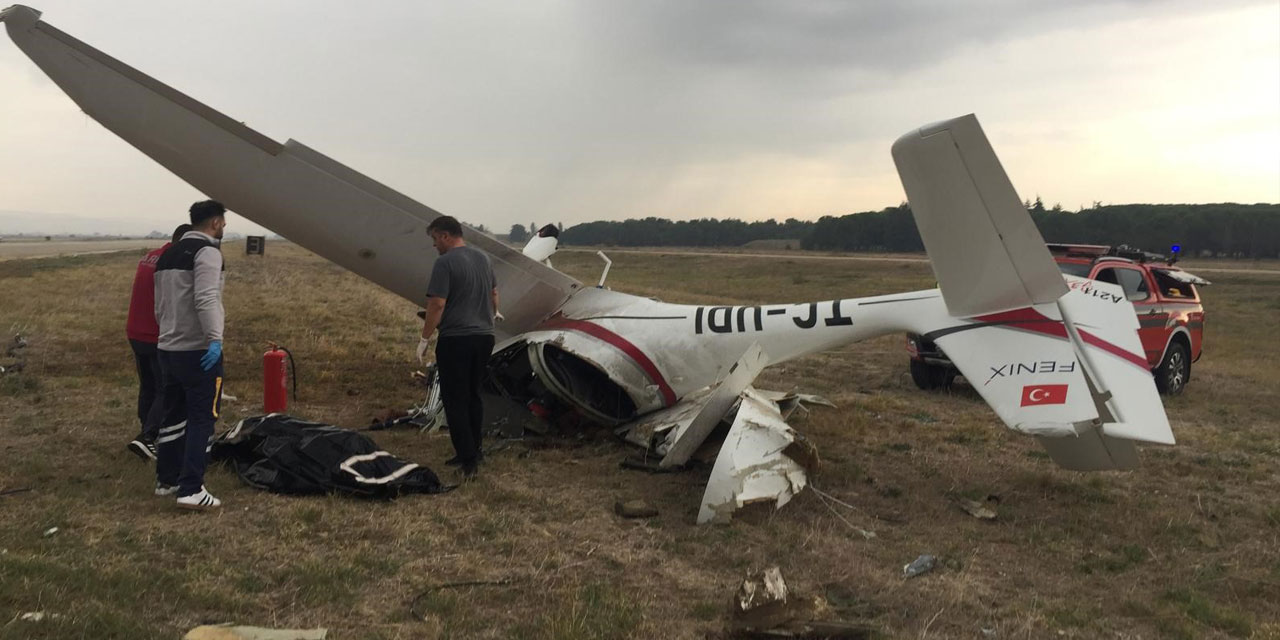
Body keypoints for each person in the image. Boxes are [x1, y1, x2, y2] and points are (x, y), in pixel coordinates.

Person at [153, 200, 228, 510]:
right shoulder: (208, 252)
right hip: (197, 350)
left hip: (167, 347)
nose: (224, 226)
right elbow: (207, 297)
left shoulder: (168, 254)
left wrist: (166, 333)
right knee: (201, 418)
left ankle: (166, 480)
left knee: (172, 415)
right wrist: (215, 339)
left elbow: (160, 304)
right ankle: (191, 488)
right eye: (223, 221)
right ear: (215, 223)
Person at [418, 215, 498, 479]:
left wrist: (425, 338)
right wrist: (489, 315)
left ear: (444, 236)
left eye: (434, 239)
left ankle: (468, 461)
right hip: (485, 337)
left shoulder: (444, 263)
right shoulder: (483, 259)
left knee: (455, 399)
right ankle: (475, 450)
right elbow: (494, 295)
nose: (434, 245)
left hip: (457, 339)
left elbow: (437, 304)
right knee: (474, 395)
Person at [126, 224, 191, 461]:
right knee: (167, 387)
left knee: (148, 385)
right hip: (156, 334)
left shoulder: (150, 256)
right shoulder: (173, 261)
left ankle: (145, 433)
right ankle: (148, 436)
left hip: (135, 331)